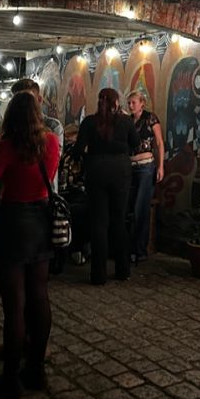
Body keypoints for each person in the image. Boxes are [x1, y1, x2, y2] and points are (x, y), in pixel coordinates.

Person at [0, 91, 60, 399]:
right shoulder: (51, 142)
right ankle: (36, 370)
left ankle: (10, 379)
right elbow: (48, 177)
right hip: (40, 221)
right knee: (40, 295)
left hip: (13, 221)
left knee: (15, 304)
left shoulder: (7, 148)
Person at [71, 88, 139, 284]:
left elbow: (76, 151)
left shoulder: (89, 122)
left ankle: (98, 275)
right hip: (121, 173)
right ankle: (122, 270)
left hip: (96, 173)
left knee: (99, 223)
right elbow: (135, 142)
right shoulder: (125, 121)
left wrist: (88, 158)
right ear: (116, 103)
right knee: (119, 221)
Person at [127, 90, 164, 262]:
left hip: (145, 167)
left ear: (142, 103)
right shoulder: (127, 121)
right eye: (129, 103)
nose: (131, 105)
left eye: (134, 102)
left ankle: (139, 250)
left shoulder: (150, 118)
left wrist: (161, 166)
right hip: (130, 167)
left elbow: (159, 142)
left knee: (140, 208)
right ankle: (130, 247)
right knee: (130, 206)